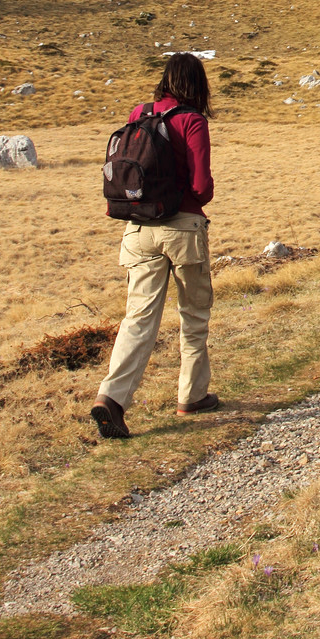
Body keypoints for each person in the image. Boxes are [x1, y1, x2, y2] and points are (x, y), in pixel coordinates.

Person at [92, 53, 219, 439]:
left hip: (138, 228)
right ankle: (191, 396)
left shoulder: (138, 113)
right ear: (197, 85)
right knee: (193, 317)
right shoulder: (192, 121)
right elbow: (201, 187)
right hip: (182, 229)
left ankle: (111, 399)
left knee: (138, 319)